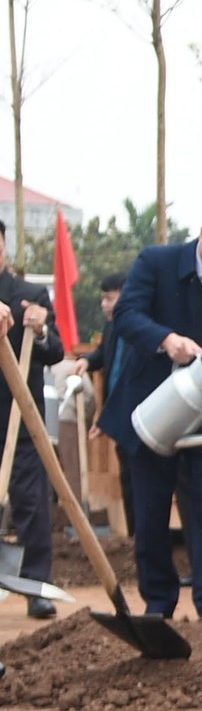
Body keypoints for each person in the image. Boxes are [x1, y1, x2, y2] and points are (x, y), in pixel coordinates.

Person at [101, 202, 202, 620]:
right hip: (153, 407)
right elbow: (126, 314)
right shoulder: (157, 263)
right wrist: (165, 339)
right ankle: (159, 605)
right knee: (152, 510)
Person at [1, 224, 65, 617]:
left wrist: (39, 329)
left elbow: (55, 352)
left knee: (31, 506)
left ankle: (36, 585)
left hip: (19, 422)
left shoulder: (29, 297)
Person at [83, 270, 139, 540]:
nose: (104, 304)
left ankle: (144, 536)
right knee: (127, 476)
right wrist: (88, 362)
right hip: (119, 416)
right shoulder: (112, 326)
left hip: (139, 415)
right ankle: (133, 537)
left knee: (140, 478)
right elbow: (104, 355)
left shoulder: (141, 328)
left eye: (109, 298)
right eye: (103, 299)